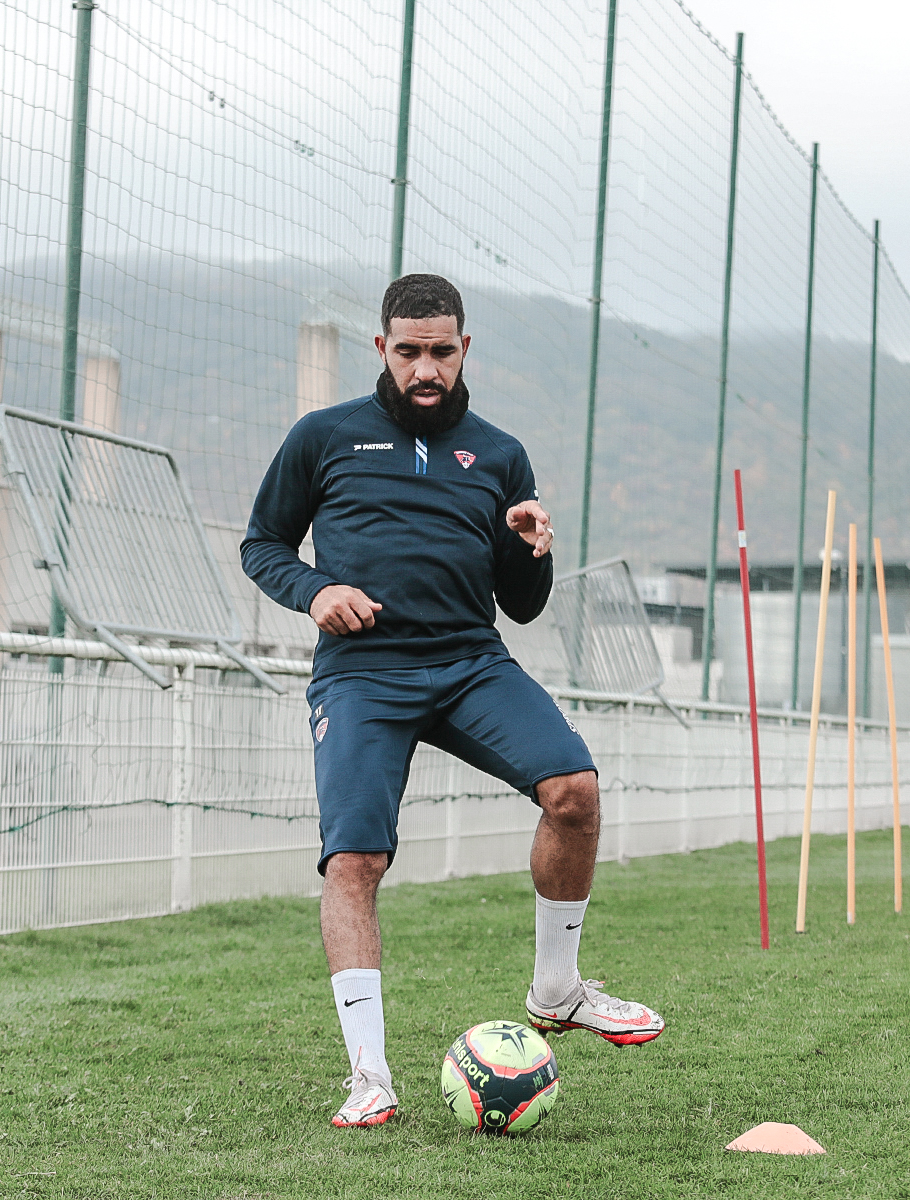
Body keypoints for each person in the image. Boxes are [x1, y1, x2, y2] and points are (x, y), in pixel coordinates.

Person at [242, 274, 663, 1128]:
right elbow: (263, 545)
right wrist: (316, 591)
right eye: (409, 351)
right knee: (354, 861)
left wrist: (535, 552)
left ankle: (559, 990)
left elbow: (524, 604)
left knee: (574, 791)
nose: (424, 368)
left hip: (471, 663)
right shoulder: (322, 438)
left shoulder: (500, 454)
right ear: (382, 349)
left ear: (464, 348)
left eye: (440, 351)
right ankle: (370, 1076)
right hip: (364, 673)